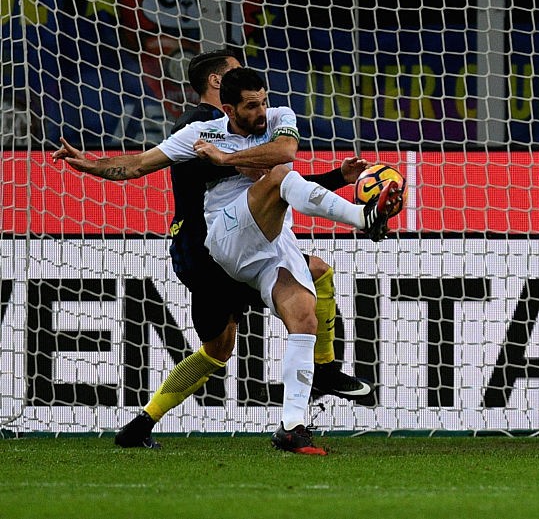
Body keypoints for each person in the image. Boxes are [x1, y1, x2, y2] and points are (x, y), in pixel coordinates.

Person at [53, 67, 402, 455]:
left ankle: (291, 427)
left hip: (271, 242)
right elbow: (136, 165)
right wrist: (90, 164)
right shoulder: (200, 131)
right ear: (229, 109)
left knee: (302, 316)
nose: (261, 111)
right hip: (224, 236)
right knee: (283, 185)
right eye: (252, 106)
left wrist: (227, 157)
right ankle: (362, 219)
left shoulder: (279, 119)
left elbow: (285, 154)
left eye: (264, 101)